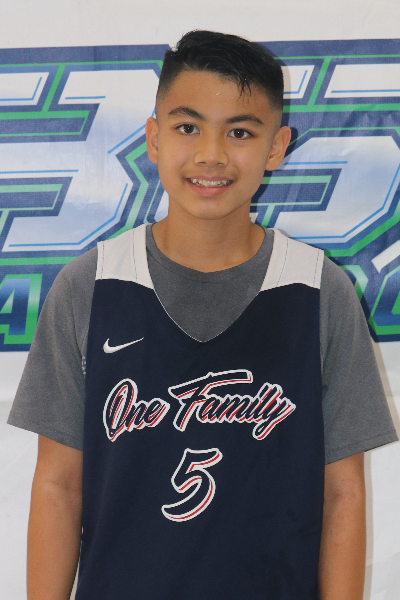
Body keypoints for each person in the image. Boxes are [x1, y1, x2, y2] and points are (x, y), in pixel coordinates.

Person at [8, 30, 398, 600]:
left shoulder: (319, 291)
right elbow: (59, 487)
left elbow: (343, 494)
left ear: (276, 147)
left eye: (240, 132)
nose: (211, 154)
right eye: (188, 127)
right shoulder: (89, 286)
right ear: (154, 138)